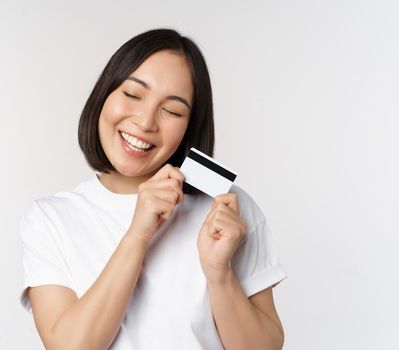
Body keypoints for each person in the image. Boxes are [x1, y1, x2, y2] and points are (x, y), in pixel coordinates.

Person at [18, 28, 287, 350]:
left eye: (172, 110)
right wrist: (137, 235)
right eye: (132, 94)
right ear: (104, 95)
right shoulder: (51, 218)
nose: (146, 122)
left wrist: (219, 273)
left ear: (190, 126)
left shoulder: (227, 209)